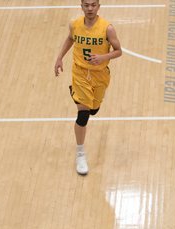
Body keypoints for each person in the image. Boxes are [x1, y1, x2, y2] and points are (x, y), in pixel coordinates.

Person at [54, 0, 122, 175]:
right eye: (86, 5)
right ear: (81, 6)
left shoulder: (107, 28)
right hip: (80, 73)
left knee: (93, 110)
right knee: (83, 114)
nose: (90, 8)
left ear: (98, 6)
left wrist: (103, 57)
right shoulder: (75, 25)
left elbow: (118, 51)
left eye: (93, 5)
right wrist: (60, 57)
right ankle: (80, 153)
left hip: (100, 74)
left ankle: (77, 95)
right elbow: (70, 38)